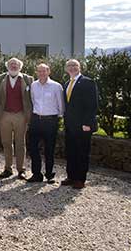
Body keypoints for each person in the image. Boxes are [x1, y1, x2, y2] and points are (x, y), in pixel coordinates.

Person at [61, 59, 98, 189]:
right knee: (71, 151)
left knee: (82, 152)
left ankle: (80, 179)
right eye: (69, 66)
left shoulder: (88, 82)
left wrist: (87, 123)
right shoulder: (66, 84)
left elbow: (92, 105)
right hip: (70, 125)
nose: (72, 68)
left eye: (74, 65)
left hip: (83, 125)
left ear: (79, 67)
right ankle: (71, 176)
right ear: (66, 69)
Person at [0, 57, 33, 180]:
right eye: (11, 64)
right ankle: (7, 168)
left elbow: (32, 97)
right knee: (6, 143)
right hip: (4, 115)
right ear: (7, 66)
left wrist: (30, 114)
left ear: (20, 66)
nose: (13, 66)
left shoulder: (28, 79)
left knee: (20, 143)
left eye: (16, 64)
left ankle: (21, 169)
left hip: (21, 115)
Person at [27, 63, 64, 184]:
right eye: (39, 71)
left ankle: (49, 174)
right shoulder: (33, 85)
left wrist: (57, 118)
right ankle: (36, 174)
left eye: (44, 71)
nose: (41, 73)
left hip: (50, 121)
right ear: (36, 72)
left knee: (49, 149)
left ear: (49, 72)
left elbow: (61, 105)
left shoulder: (56, 86)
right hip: (36, 119)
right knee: (33, 148)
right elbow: (33, 101)